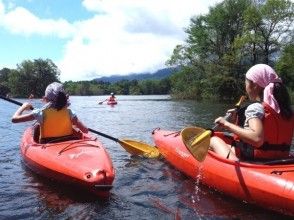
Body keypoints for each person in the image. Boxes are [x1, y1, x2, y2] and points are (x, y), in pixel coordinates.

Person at [210, 64, 294, 161]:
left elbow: (257, 139)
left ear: (254, 85)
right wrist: (234, 121)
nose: (245, 86)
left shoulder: (255, 108)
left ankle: (234, 165)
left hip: (254, 161)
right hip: (279, 160)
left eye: (246, 83)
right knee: (226, 137)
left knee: (213, 140)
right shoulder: (286, 110)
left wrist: (226, 124)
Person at [11, 82, 88, 143]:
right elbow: (85, 130)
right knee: (73, 127)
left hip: (48, 144)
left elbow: (14, 119)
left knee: (37, 126)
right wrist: (74, 123)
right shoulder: (70, 112)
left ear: (46, 99)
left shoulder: (39, 113)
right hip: (67, 142)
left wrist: (23, 107)